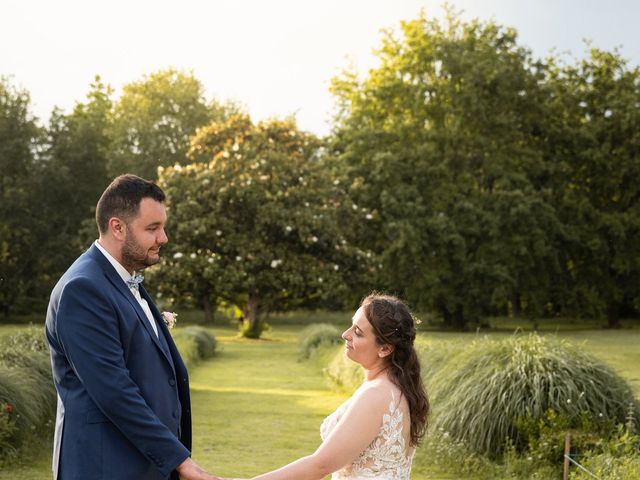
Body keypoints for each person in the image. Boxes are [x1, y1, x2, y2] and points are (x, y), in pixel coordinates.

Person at [45, 174, 218, 480]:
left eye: (162, 227)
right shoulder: (83, 288)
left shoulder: (123, 280)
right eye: (153, 228)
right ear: (118, 227)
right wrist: (181, 461)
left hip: (140, 465)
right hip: (104, 467)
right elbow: (114, 390)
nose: (163, 238)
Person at [228, 293, 429, 480]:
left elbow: (319, 466)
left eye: (358, 332)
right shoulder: (394, 387)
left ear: (384, 349)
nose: (345, 334)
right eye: (351, 326)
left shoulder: (376, 394)